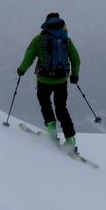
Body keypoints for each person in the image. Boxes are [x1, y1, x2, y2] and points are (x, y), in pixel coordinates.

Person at [17, 12, 82, 150]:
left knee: (45, 104)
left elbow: (29, 56)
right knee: (61, 109)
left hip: (44, 80)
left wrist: (21, 69)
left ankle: (52, 132)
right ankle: (70, 141)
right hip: (61, 80)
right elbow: (76, 60)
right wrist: (74, 76)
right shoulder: (66, 40)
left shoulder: (39, 39)